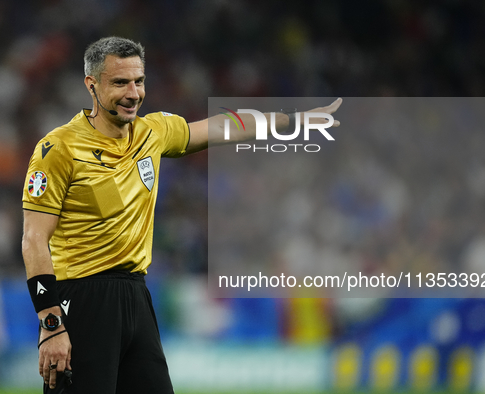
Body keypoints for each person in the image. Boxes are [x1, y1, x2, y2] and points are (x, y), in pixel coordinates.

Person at [21, 36, 342, 393]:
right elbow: (34, 239)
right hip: (81, 298)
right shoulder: (58, 148)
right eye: (120, 83)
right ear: (91, 85)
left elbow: (222, 127)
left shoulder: (152, 132)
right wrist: (51, 324)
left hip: (135, 296)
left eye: (139, 81)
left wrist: (291, 122)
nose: (133, 93)